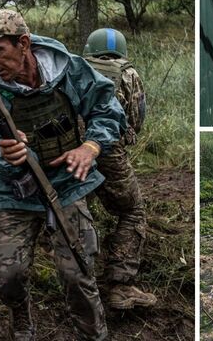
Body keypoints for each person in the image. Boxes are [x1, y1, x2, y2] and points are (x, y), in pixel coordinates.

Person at [0, 10, 127, 340]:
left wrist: (91, 147)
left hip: (65, 185)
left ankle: (94, 334)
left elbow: (106, 108)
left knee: (77, 273)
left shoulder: (67, 71)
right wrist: (8, 156)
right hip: (14, 191)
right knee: (7, 277)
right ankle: (21, 317)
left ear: (23, 44)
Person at [82, 28, 157, 309]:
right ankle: (121, 284)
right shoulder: (128, 74)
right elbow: (136, 117)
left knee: (77, 210)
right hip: (109, 150)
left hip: (72, 152)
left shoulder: (74, 69)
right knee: (132, 211)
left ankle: (79, 281)